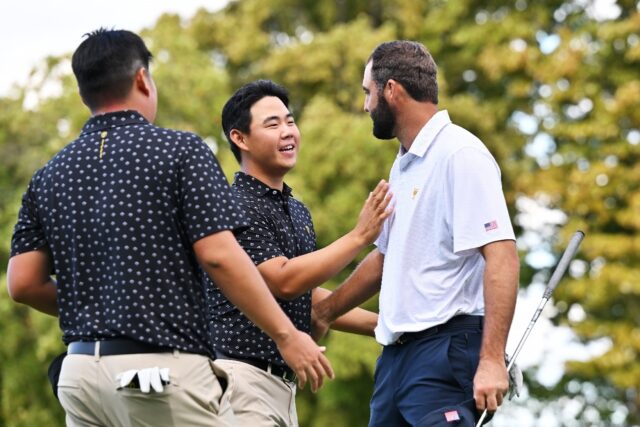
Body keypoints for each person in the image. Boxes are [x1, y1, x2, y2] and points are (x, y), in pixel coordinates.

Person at [6, 29, 332, 427]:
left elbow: (22, 284)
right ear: (143, 79)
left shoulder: (48, 175)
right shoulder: (180, 151)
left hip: (79, 379)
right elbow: (218, 256)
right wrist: (286, 335)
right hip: (156, 375)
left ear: (83, 92)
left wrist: (104, 306)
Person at [312, 40, 520, 426]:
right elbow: (386, 259)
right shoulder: (404, 165)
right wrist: (326, 311)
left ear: (391, 90)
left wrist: (492, 360)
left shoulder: (460, 154)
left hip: (445, 353)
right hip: (395, 362)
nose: (365, 106)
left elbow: (502, 255)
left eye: (367, 93)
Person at [207, 79, 391, 426]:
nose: (287, 132)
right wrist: (359, 236)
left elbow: (305, 298)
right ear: (239, 138)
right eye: (272, 124)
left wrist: (389, 327)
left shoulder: (297, 210)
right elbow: (283, 281)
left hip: (282, 386)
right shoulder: (234, 205)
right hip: (239, 380)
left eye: (290, 121)